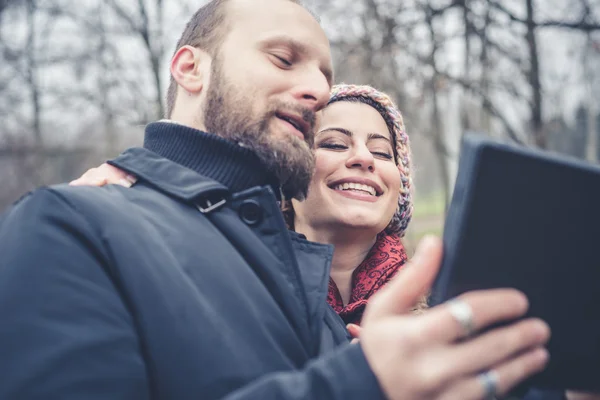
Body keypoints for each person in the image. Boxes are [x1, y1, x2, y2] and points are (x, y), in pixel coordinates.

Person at [0, 0, 552, 399]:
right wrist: (364, 385)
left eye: (323, 73)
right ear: (190, 67)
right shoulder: (70, 222)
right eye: (285, 59)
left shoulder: (305, 281)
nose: (317, 89)